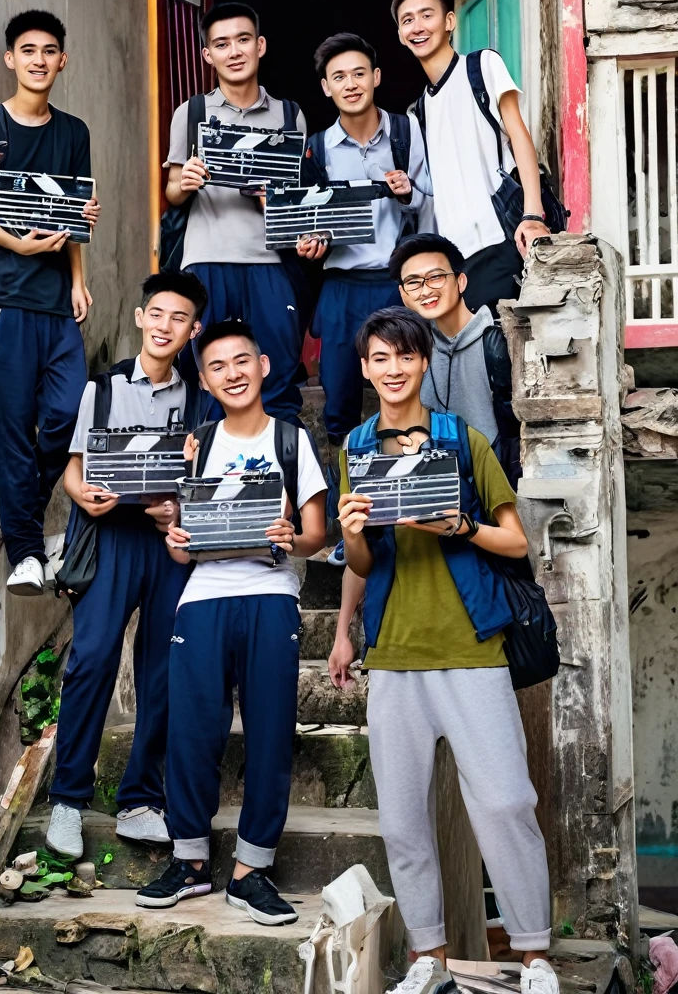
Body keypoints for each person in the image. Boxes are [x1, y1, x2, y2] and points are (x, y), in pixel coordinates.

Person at [328, 308, 557, 994]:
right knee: (402, 818)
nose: (392, 369)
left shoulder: (465, 439)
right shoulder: (356, 448)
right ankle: (427, 958)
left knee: (507, 802)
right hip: (394, 653)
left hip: (471, 646)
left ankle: (535, 956)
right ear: (365, 369)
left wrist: (462, 524)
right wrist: (343, 629)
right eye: (379, 358)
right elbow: (360, 561)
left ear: (423, 361)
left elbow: (517, 541)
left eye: (404, 356)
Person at [136, 320, 327, 926]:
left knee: (270, 733)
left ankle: (251, 872)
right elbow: (181, 548)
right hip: (203, 598)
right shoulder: (197, 444)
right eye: (217, 367)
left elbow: (319, 534)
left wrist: (290, 537)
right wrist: (177, 539)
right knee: (192, 730)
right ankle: (189, 862)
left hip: (270, 595)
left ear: (265, 365)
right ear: (205, 379)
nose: (232, 374)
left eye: (242, 361)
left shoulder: (291, 440)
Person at [46, 270, 215, 859]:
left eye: (181, 319)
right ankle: (68, 800)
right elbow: (73, 466)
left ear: (192, 331)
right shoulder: (105, 389)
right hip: (111, 537)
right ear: (142, 317)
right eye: (159, 314)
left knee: (163, 667)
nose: (167, 326)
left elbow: (205, 486)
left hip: (167, 544)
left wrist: (179, 504)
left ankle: (142, 800)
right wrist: (81, 494)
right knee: (92, 659)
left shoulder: (201, 401)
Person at [0, 10, 100, 594]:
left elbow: (76, 214)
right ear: (10, 59)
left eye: (50, 51)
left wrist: (78, 280)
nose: (39, 60)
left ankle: (28, 527)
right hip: (8, 303)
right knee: (13, 431)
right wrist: (16, 242)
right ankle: (25, 553)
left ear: (62, 61)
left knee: (68, 416)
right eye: (28, 50)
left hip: (57, 305)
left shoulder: (75, 133)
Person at [163, 2, 307, 422]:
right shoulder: (191, 113)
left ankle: (287, 480)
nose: (234, 51)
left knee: (276, 376)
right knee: (206, 378)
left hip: (269, 262)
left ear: (260, 46)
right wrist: (184, 180)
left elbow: (298, 201)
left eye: (243, 40)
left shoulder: (289, 114)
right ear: (208, 55)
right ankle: (208, 479)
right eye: (221, 44)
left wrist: (272, 197)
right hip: (205, 261)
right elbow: (172, 192)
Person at [299, 32, 434, 446]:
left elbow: (432, 202)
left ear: (376, 77)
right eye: (339, 77)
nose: (351, 84)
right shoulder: (317, 148)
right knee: (339, 398)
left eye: (359, 73)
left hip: (398, 283)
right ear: (326, 87)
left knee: (412, 390)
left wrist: (409, 192)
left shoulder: (406, 131)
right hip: (341, 286)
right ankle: (347, 502)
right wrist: (310, 246)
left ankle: (415, 488)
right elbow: (305, 222)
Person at [391, 0, 549, 314]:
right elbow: (438, 187)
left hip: (500, 242)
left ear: (449, 22)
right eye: (407, 20)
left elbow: (519, 137)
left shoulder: (481, 67)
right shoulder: (417, 110)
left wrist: (532, 214)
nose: (417, 26)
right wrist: (408, 189)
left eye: (426, 15)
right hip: (456, 262)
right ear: (401, 36)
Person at [389, 232, 520, 487]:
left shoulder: (496, 341)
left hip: (496, 482)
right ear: (404, 295)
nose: (426, 290)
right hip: (434, 486)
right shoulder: (412, 352)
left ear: (460, 281)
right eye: (414, 283)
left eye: (436, 277)